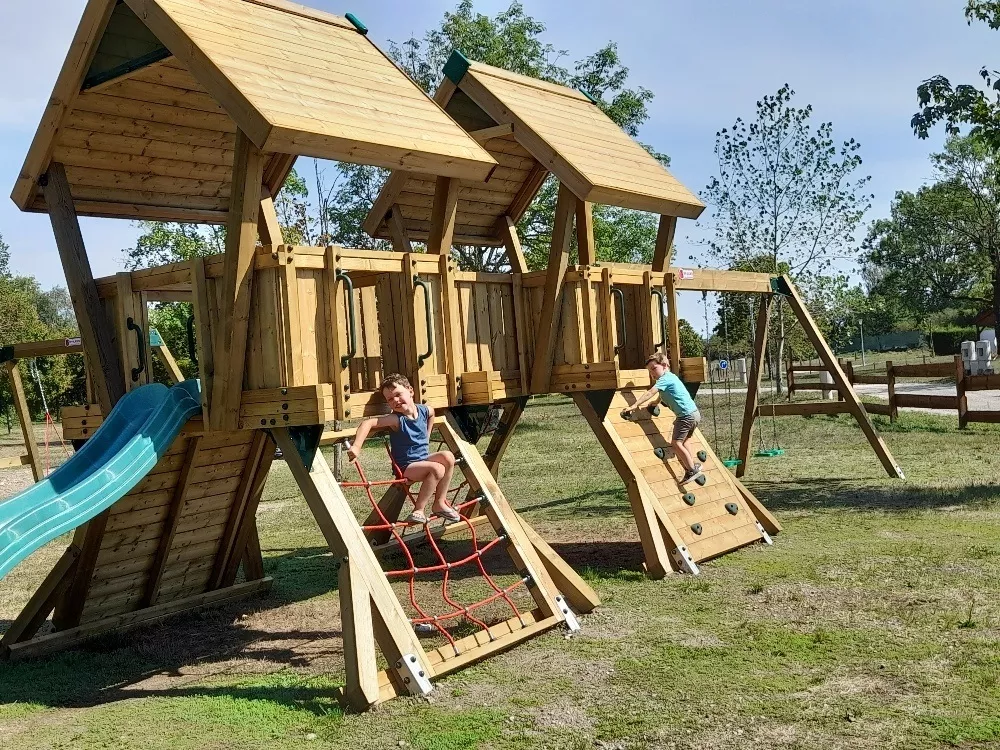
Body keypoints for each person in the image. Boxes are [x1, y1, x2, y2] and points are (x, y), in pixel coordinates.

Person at [346, 373, 461, 524]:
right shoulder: (396, 419)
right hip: (406, 467)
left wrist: (427, 435)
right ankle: (418, 510)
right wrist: (356, 447)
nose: (395, 401)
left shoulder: (424, 411)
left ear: (411, 391)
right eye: (390, 399)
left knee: (448, 456)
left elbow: (432, 413)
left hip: (422, 460)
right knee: (437, 469)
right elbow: (368, 423)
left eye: (398, 394)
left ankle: (439, 502)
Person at [623, 352, 703, 485]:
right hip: (694, 414)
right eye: (650, 371)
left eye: (654, 369)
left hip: (685, 416)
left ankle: (691, 471)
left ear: (665, 365)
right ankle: (693, 464)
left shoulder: (664, 379)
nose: (652, 374)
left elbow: (650, 392)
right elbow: (663, 393)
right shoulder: (671, 378)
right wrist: (655, 402)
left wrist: (634, 405)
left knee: (676, 443)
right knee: (686, 441)